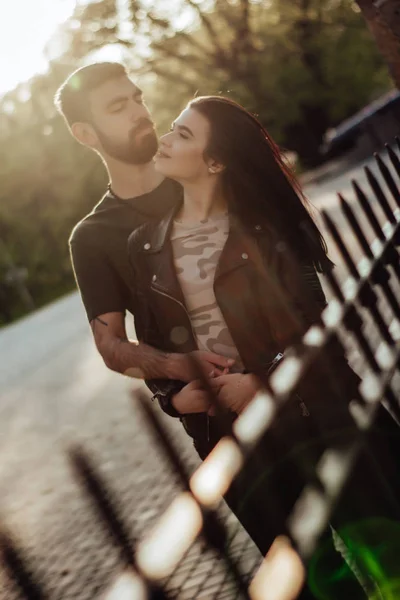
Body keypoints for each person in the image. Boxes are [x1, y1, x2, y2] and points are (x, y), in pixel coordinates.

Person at [128, 95, 400, 598]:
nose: (165, 138)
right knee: (309, 583)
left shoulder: (271, 228)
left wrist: (263, 382)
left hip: (321, 417)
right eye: (173, 128)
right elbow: (155, 350)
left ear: (215, 162)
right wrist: (172, 397)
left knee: (389, 561)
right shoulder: (145, 248)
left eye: (183, 134)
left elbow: (317, 326)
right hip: (237, 447)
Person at [54, 62, 234, 390]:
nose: (139, 112)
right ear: (86, 133)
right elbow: (110, 345)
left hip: (298, 378)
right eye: (118, 107)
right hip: (213, 411)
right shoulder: (91, 237)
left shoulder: (205, 172)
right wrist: (175, 367)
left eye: (137, 99)